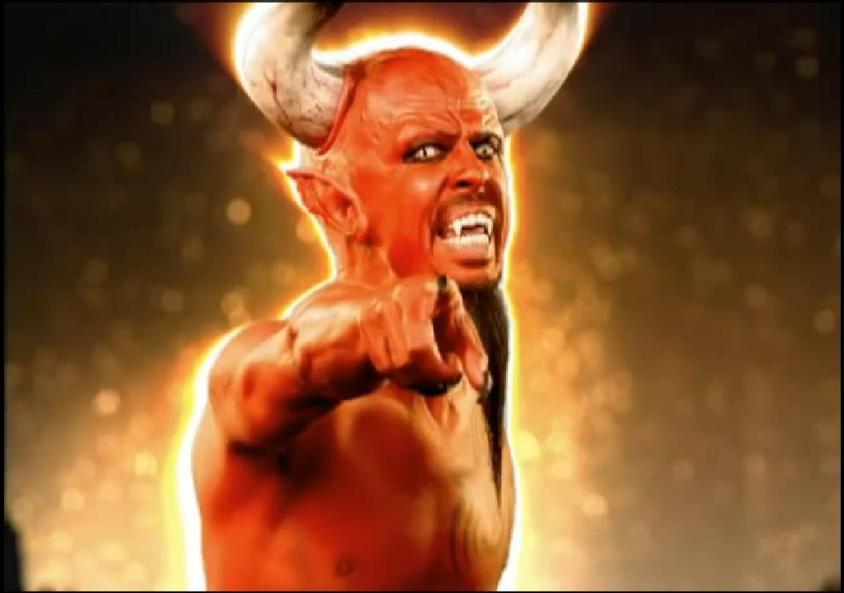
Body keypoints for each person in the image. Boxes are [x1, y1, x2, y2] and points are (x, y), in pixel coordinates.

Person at [192, 3, 586, 589]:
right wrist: (371, 328)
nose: (476, 173)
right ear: (338, 205)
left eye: (485, 147)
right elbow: (291, 358)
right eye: (425, 151)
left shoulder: (470, 385)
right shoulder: (274, 388)